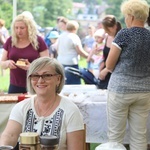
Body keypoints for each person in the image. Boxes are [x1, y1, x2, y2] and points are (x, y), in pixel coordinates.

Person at [0, 57, 84, 150]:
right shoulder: (21, 107)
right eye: (35, 76)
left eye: (47, 75)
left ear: (58, 79)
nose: (40, 80)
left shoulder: (70, 110)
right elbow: (10, 135)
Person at [105, 0, 150, 150]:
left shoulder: (124, 34)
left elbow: (109, 65)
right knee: (139, 135)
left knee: (116, 136)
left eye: (125, 16)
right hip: (144, 90)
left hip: (120, 90)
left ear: (130, 16)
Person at [0, 14, 49, 93]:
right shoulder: (10, 41)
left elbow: (48, 64)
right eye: (16, 28)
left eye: (22, 28)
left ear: (29, 28)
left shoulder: (38, 41)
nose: (19, 31)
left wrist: (32, 67)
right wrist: (7, 63)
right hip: (15, 85)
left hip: (36, 84)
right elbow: (2, 63)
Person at [57, 20, 90, 84]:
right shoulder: (74, 37)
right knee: (74, 83)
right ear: (75, 28)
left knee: (63, 82)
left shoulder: (61, 36)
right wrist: (89, 57)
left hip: (61, 61)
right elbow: (80, 51)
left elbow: (57, 48)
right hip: (71, 63)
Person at [98, 15, 122, 89]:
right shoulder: (107, 36)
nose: (105, 31)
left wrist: (106, 70)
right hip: (105, 71)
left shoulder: (120, 38)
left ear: (114, 27)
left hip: (115, 73)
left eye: (107, 29)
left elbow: (118, 59)